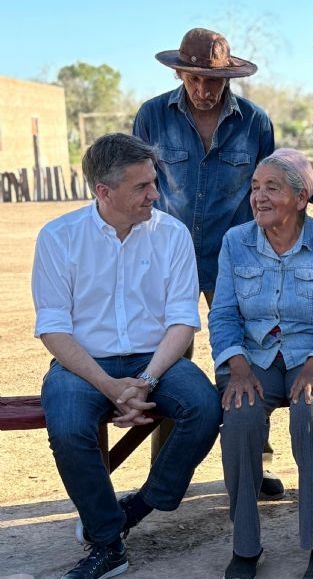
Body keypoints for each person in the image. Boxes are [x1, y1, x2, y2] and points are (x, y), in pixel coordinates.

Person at [32, 134, 221, 579]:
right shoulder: (59, 238)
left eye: (153, 182)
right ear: (104, 191)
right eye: (141, 187)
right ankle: (106, 543)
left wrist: (147, 380)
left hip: (155, 360)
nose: (154, 194)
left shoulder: (171, 234)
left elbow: (182, 322)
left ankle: (140, 505)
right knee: (68, 427)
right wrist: (110, 386)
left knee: (206, 407)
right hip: (81, 365)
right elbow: (53, 328)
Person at [132, 27, 283, 499]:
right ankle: (165, 471)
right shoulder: (152, 116)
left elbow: (267, 192)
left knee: (245, 354)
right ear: (180, 72)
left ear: (228, 76)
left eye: (212, 81)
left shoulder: (255, 123)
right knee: (169, 355)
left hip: (236, 256)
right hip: (166, 256)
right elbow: (140, 186)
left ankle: (251, 467)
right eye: (194, 79)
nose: (203, 89)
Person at [209, 149, 313, 579]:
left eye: (271, 187)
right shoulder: (236, 242)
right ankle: (245, 546)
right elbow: (222, 315)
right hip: (254, 357)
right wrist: (236, 365)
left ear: (300, 197)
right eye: (255, 187)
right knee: (239, 417)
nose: (258, 196)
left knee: (309, 414)